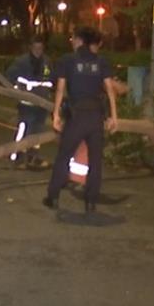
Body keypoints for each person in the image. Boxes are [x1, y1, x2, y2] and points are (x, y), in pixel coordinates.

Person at [43, 27, 118, 214]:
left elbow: (61, 89)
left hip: (77, 116)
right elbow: (109, 90)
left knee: (64, 156)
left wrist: (56, 114)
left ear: (78, 40)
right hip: (96, 117)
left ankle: (53, 196)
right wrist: (114, 117)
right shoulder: (101, 61)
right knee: (95, 160)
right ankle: (91, 201)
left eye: (73, 39)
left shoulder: (68, 60)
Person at [6, 39, 54, 169]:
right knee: (24, 129)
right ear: (31, 48)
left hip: (42, 103)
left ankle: (33, 156)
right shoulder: (22, 62)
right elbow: (10, 77)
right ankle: (18, 157)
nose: (38, 51)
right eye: (35, 48)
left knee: (37, 131)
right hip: (26, 104)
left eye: (40, 48)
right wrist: (18, 92)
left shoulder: (46, 62)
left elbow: (51, 79)